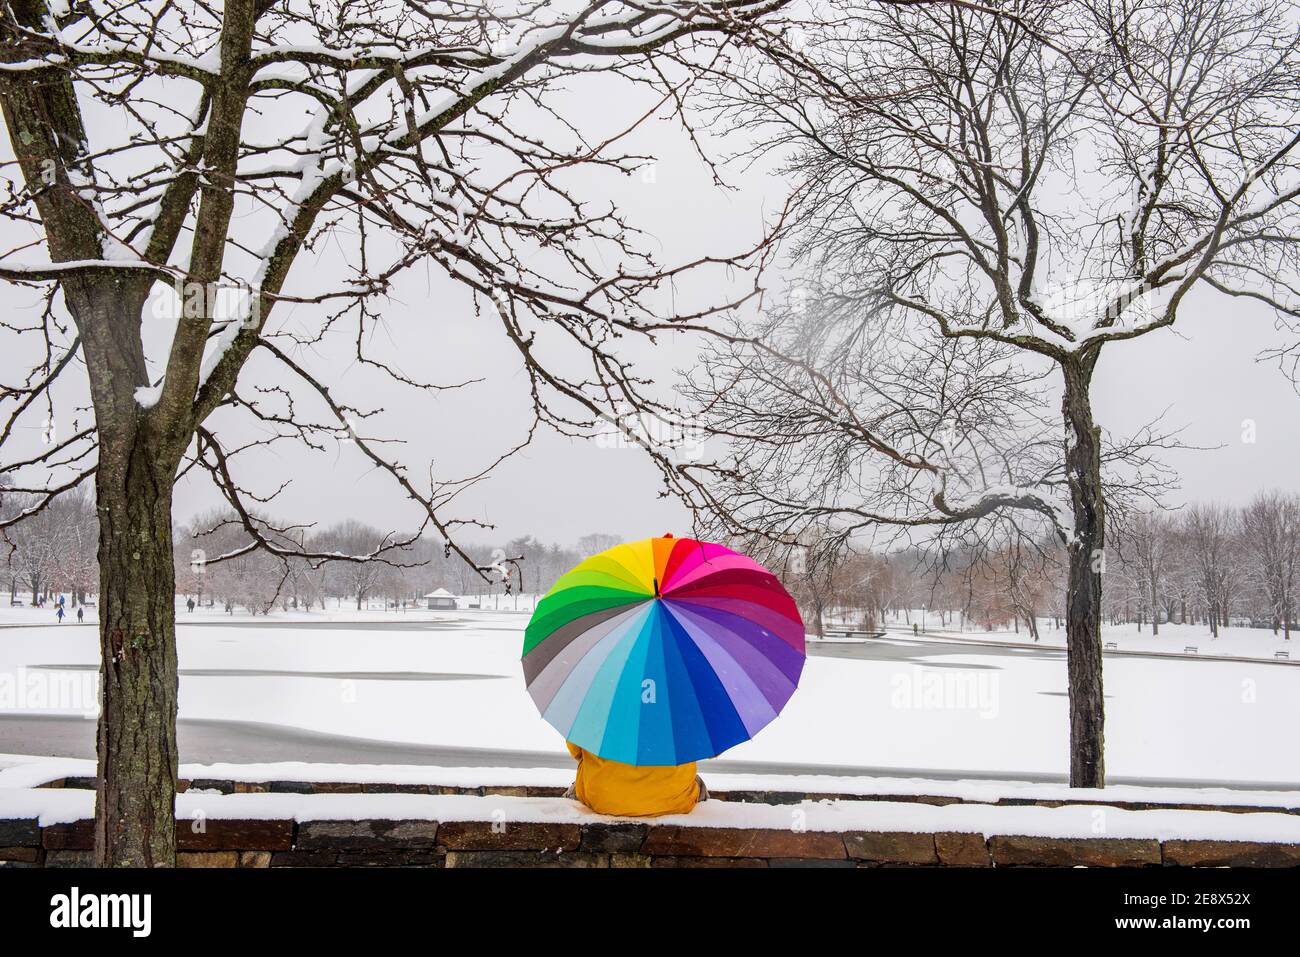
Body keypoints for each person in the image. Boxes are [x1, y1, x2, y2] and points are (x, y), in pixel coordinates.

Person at [563, 741, 707, 817]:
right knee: (697, 783)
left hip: (603, 798)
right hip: (675, 802)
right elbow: (703, 749)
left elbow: (576, 751)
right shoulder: (681, 704)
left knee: (578, 787)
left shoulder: (599, 701)